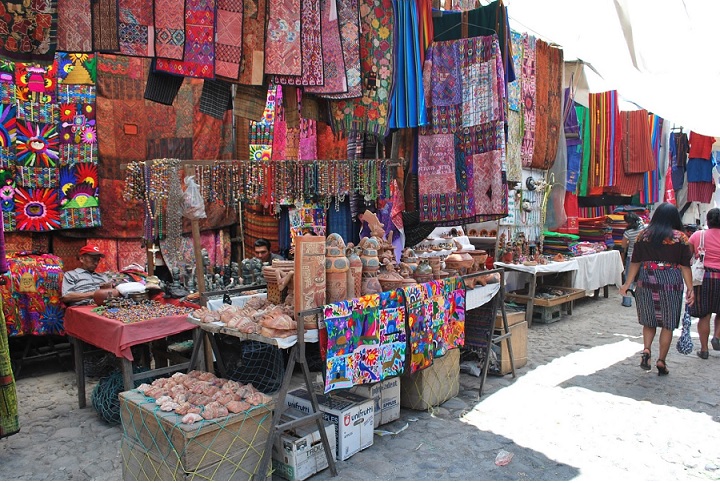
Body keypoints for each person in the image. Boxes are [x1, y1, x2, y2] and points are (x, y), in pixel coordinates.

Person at [619, 202, 694, 376]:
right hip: (671, 283)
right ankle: (661, 360)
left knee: (649, 321)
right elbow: (685, 266)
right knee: (667, 324)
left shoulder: (643, 235)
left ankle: (646, 350)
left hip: (646, 280)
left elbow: (635, 261)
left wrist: (627, 284)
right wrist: (691, 289)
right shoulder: (680, 238)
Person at [688, 208, 720, 359]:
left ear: (708, 221)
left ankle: (704, 349)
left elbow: (687, 256)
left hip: (703, 278)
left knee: (704, 315)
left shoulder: (698, 235)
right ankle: (717, 337)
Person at [620, 212, 644, 307]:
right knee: (642, 279)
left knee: (628, 279)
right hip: (643, 257)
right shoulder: (643, 229)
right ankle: (642, 300)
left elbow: (623, 246)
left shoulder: (627, 232)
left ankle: (626, 301)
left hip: (632, 256)